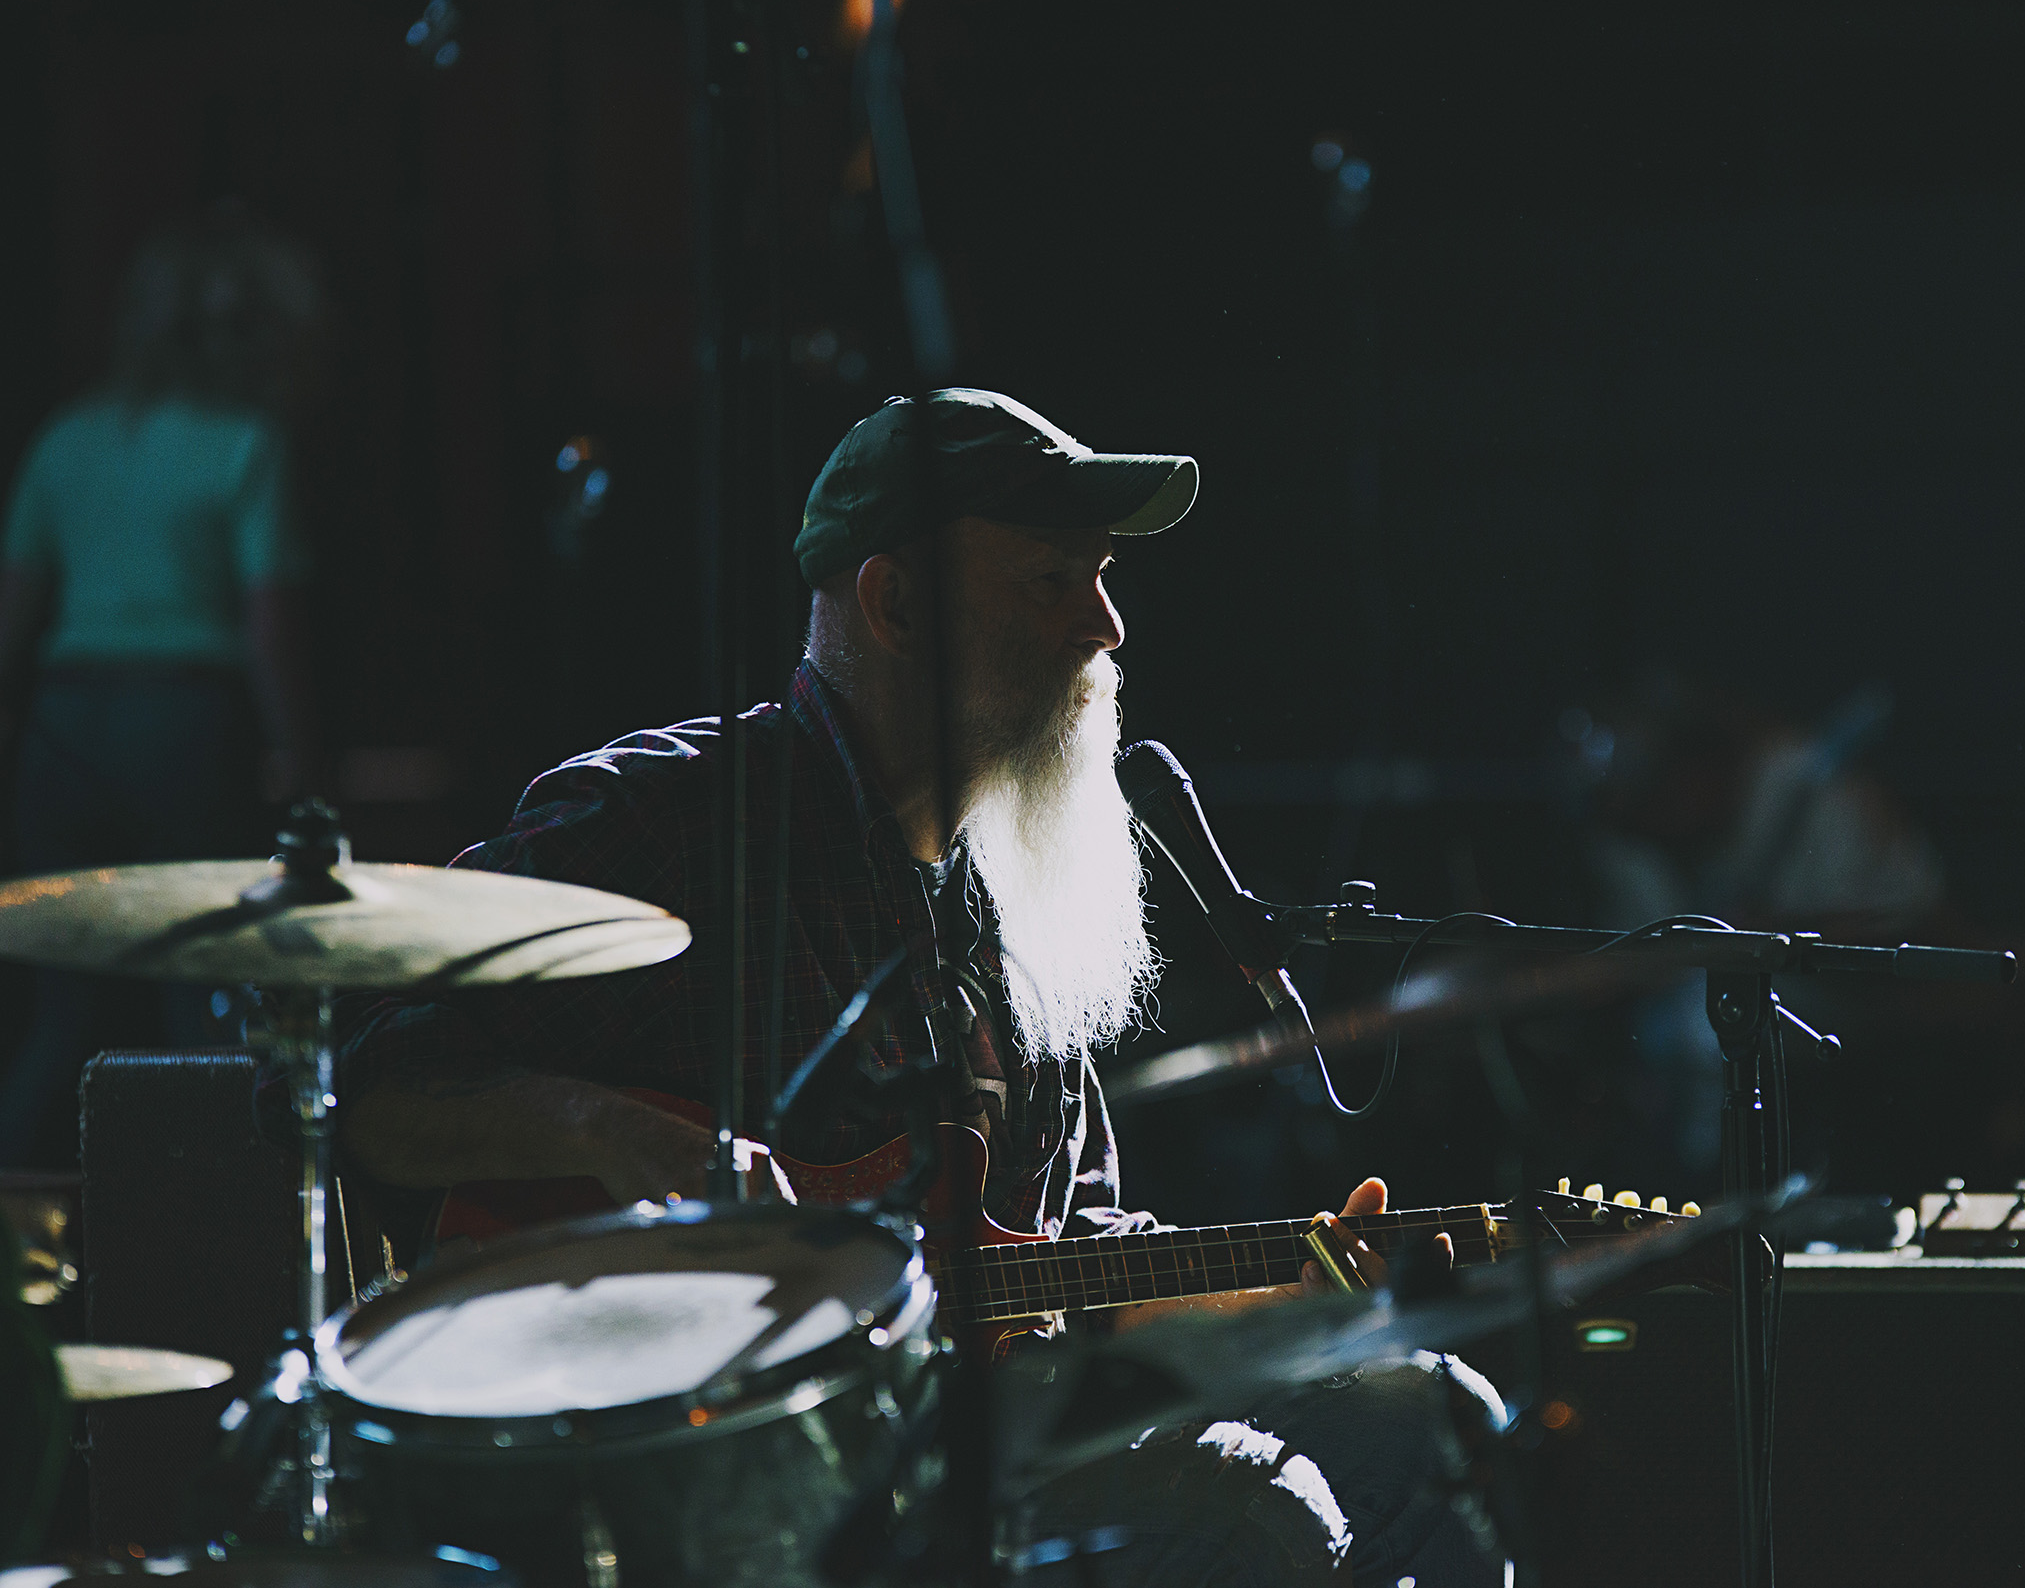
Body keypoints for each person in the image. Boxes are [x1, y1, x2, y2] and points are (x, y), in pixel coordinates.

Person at [336, 389, 1502, 1587]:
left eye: (1103, 580)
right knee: (1256, 1520)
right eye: (1052, 581)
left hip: (975, 1440)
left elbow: (1065, 1266)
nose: (1106, 628)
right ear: (893, 604)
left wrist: (1278, 1295)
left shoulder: (1025, 893)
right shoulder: (672, 822)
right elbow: (362, 1073)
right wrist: (613, 1132)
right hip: (713, 1488)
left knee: (1434, 1416)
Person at [0, 209, 323, 1166]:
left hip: (64, 727)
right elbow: (272, 627)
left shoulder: (68, 441)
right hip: (187, 724)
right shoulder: (247, 442)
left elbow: (13, 623)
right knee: (203, 1004)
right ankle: (210, 1241)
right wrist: (303, 764)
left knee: (64, 1015)